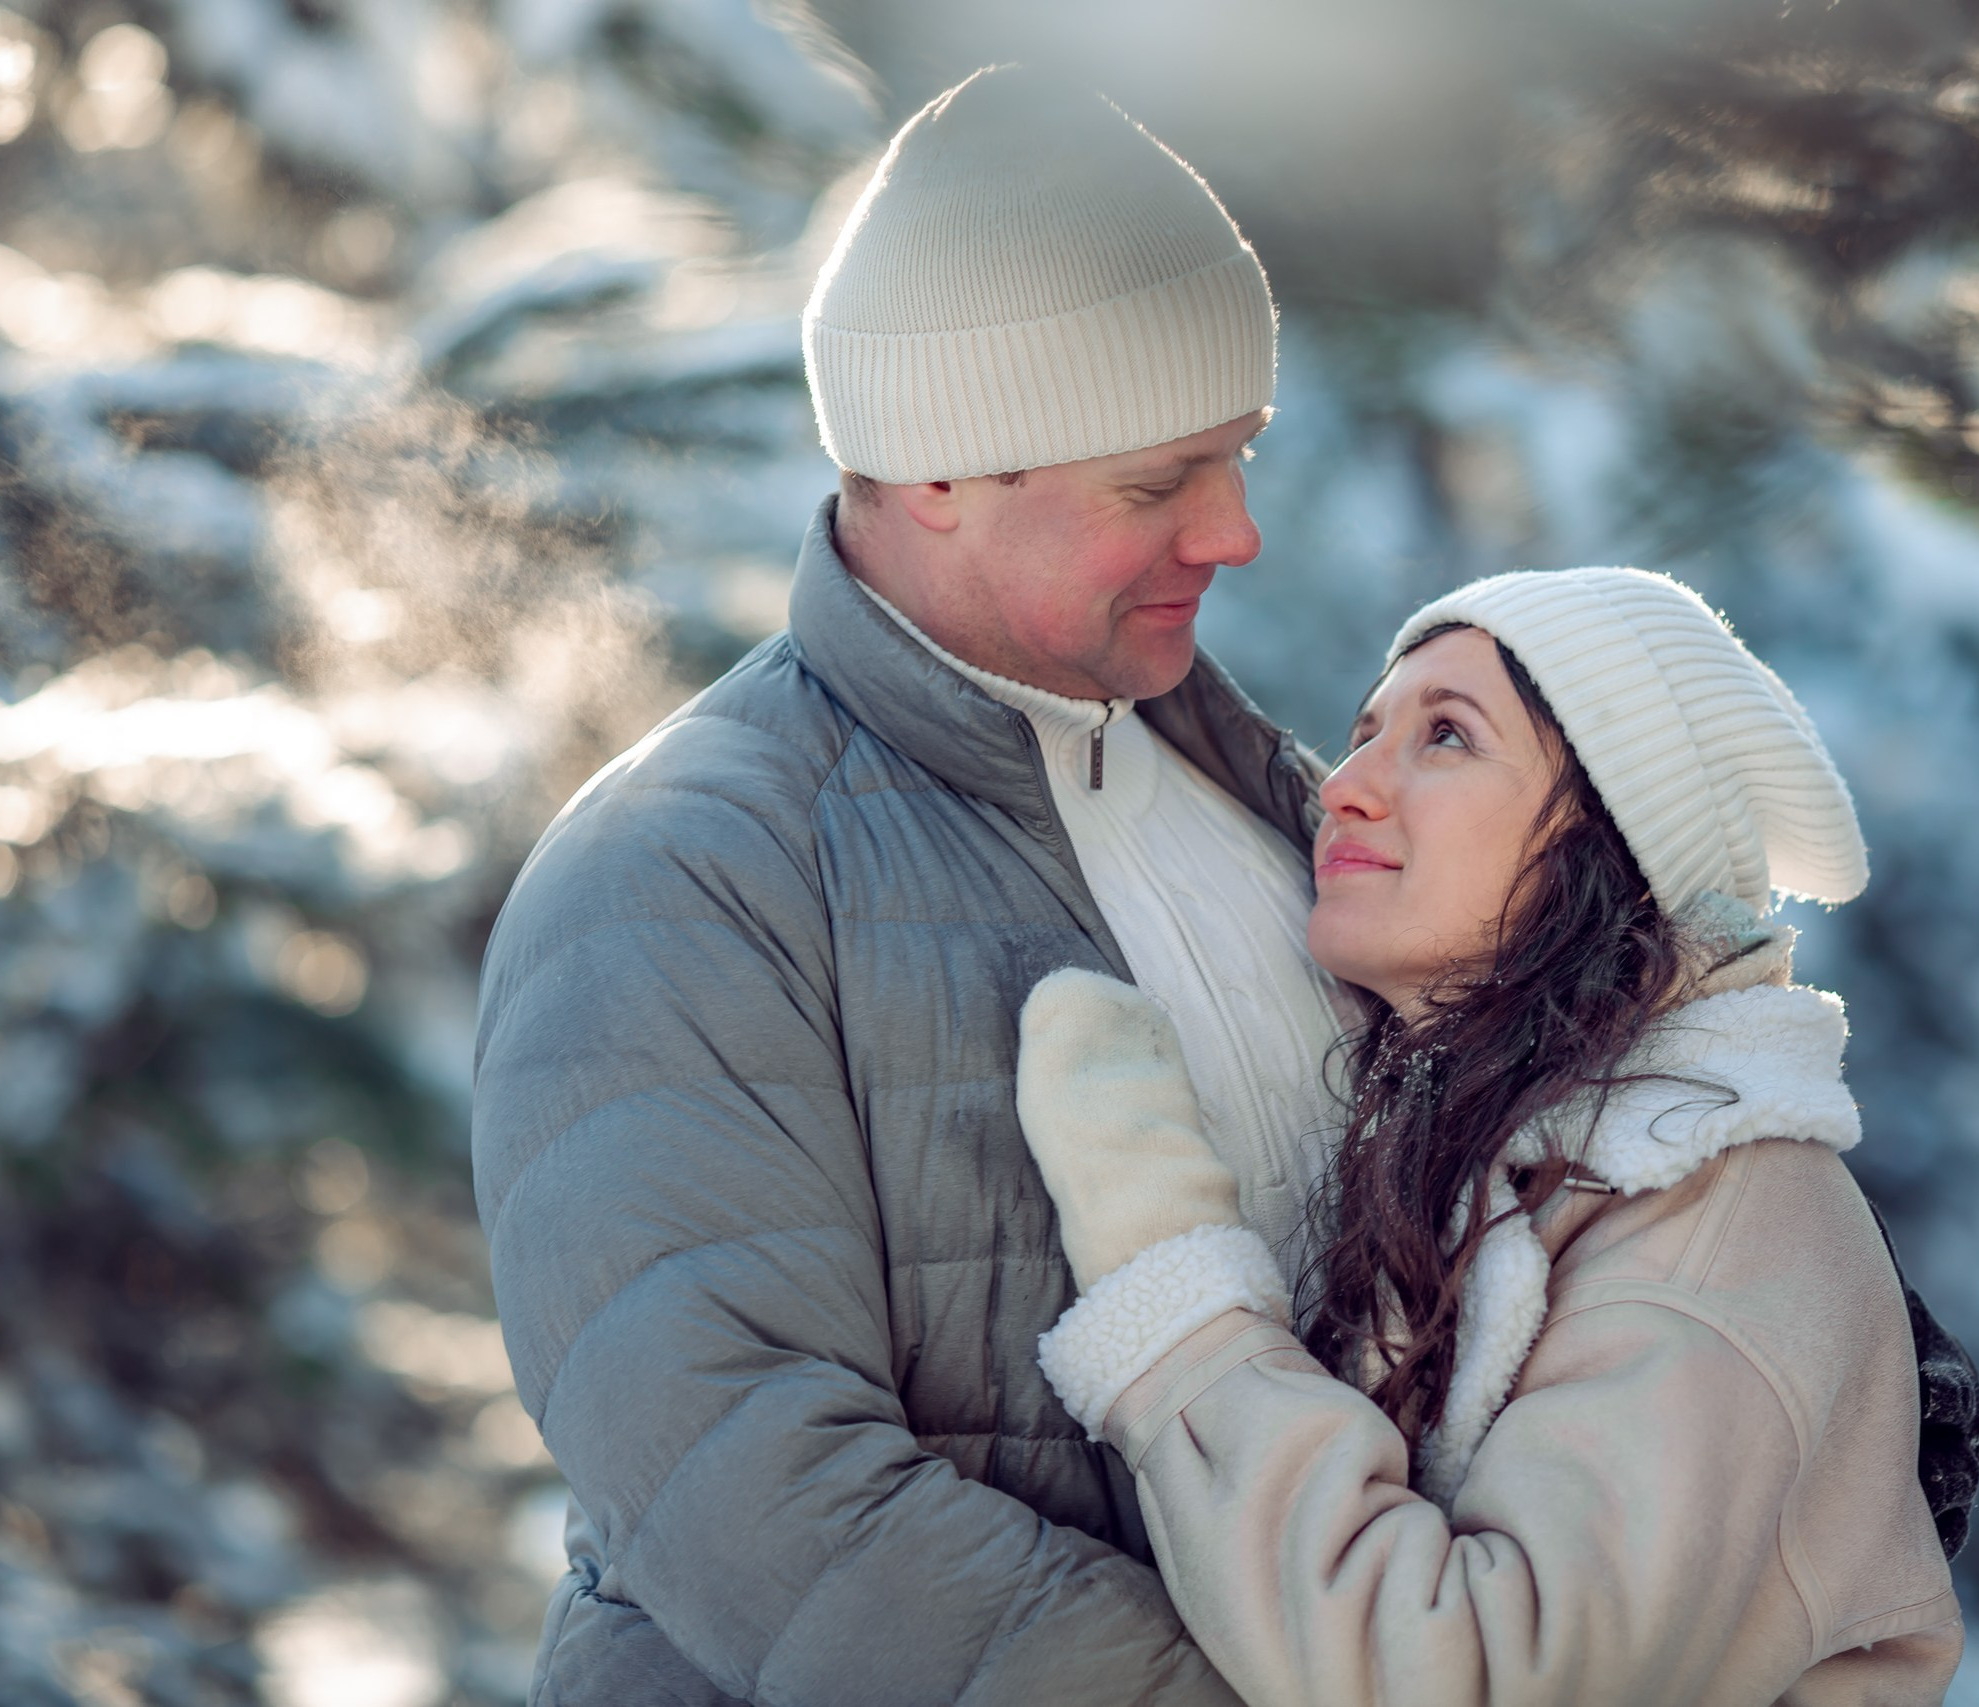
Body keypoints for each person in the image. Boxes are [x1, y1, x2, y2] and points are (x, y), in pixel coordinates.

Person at [471, 65, 1349, 1705]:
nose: (1232, 532)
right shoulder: (680, 874)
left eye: (1238, 457)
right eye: (1157, 483)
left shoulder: (1278, 797)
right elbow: (763, 1501)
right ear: (938, 471)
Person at [1016, 568, 1970, 1706]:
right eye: (1363, 731)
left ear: (1612, 838)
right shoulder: (1496, 1167)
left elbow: (1461, 1678)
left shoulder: (1722, 1217)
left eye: (1448, 737)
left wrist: (1168, 1281)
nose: (1349, 787)